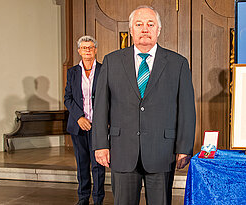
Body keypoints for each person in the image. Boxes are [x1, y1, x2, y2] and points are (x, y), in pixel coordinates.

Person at [92, 5, 196, 205]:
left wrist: (184, 147)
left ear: (158, 30)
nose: (145, 29)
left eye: (150, 24)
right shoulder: (112, 61)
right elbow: (100, 108)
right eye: (139, 24)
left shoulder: (177, 63)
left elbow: (186, 110)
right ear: (131, 30)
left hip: (162, 152)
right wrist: (100, 145)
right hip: (122, 150)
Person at [64, 36, 105, 205]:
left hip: (98, 127)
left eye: (90, 47)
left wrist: (102, 121)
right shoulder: (72, 72)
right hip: (78, 126)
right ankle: (83, 198)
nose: (87, 50)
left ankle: (98, 199)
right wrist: (79, 117)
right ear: (79, 51)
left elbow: (110, 98)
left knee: (98, 166)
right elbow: (68, 98)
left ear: (95, 50)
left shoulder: (104, 70)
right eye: (84, 47)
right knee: (82, 165)